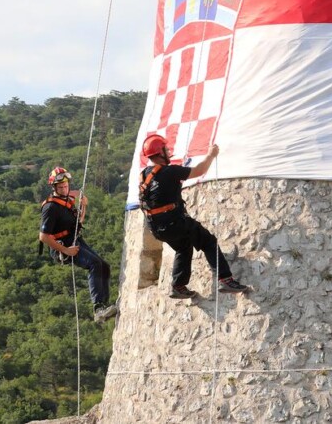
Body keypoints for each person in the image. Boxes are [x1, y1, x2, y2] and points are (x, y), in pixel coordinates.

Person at [138, 135, 250, 299]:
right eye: (166, 150)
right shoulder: (170, 171)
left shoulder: (144, 175)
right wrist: (211, 155)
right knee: (208, 241)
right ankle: (226, 279)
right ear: (160, 153)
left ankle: (178, 285)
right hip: (174, 222)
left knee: (183, 247)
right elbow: (199, 170)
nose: (169, 152)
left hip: (156, 228)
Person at [39, 165, 118, 322]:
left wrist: (83, 207)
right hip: (63, 247)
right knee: (94, 264)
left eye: (66, 186)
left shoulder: (67, 201)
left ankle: (105, 305)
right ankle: (98, 309)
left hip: (74, 239)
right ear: (54, 187)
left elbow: (77, 223)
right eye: (60, 187)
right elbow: (44, 237)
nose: (64, 189)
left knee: (104, 266)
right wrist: (66, 251)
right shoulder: (50, 207)